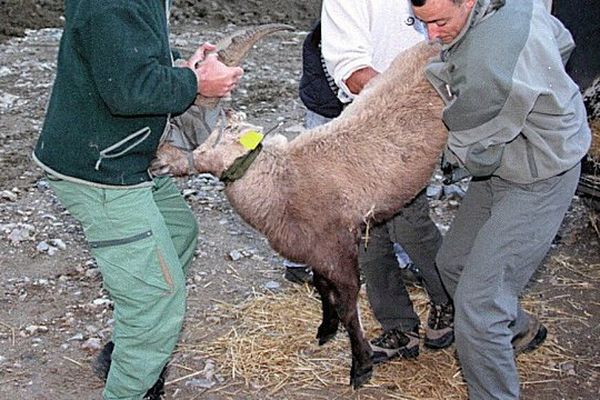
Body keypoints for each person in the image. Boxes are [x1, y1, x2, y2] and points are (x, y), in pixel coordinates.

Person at [32, 1, 242, 399]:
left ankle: (128, 352)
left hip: (124, 155)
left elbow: (126, 56)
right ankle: (131, 386)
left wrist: (182, 66)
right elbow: (129, 90)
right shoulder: (113, 4)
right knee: (157, 297)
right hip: (101, 171)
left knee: (178, 231)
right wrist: (196, 85)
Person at [410, 0, 592, 398]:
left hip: (541, 174)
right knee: (452, 263)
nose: (432, 35)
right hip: (511, 161)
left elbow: (471, 148)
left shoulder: (488, 61)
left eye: (440, 22)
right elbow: (562, 41)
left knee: (478, 310)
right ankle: (519, 330)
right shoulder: (513, 5)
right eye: (421, 23)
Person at [295, 0, 455, 363]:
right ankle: (398, 325)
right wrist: (409, 97)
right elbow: (351, 70)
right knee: (366, 235)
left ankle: (449, 300)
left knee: (412, 225)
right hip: (369, 121)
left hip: (414, 122)